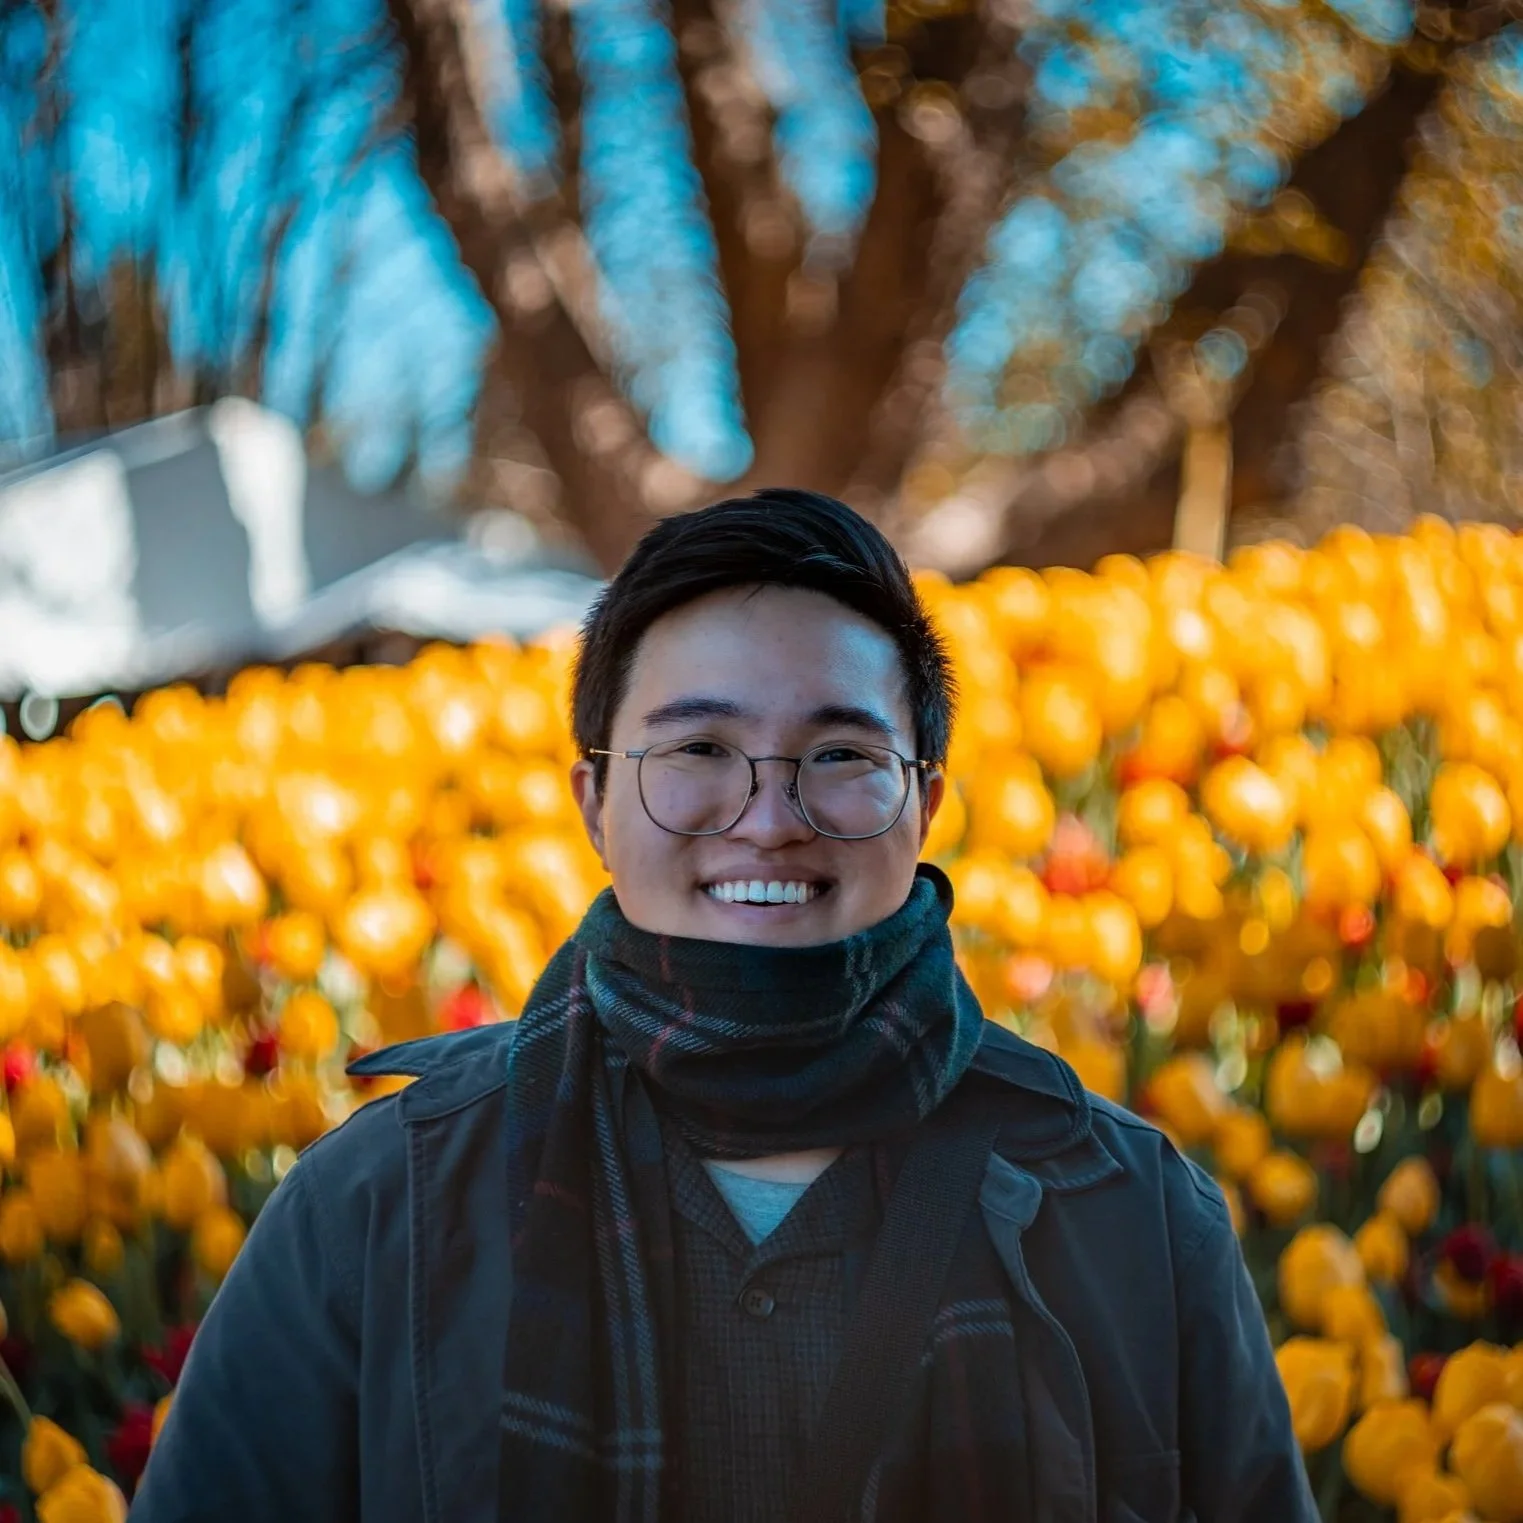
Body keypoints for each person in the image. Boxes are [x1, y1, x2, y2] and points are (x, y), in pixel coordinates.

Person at [132, 489, 1314, 1523]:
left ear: (926, 798)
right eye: (698, 744)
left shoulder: (1127, 1213)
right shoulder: (379, 1204)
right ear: (595, 801)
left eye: (839, 752)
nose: (767, 813)